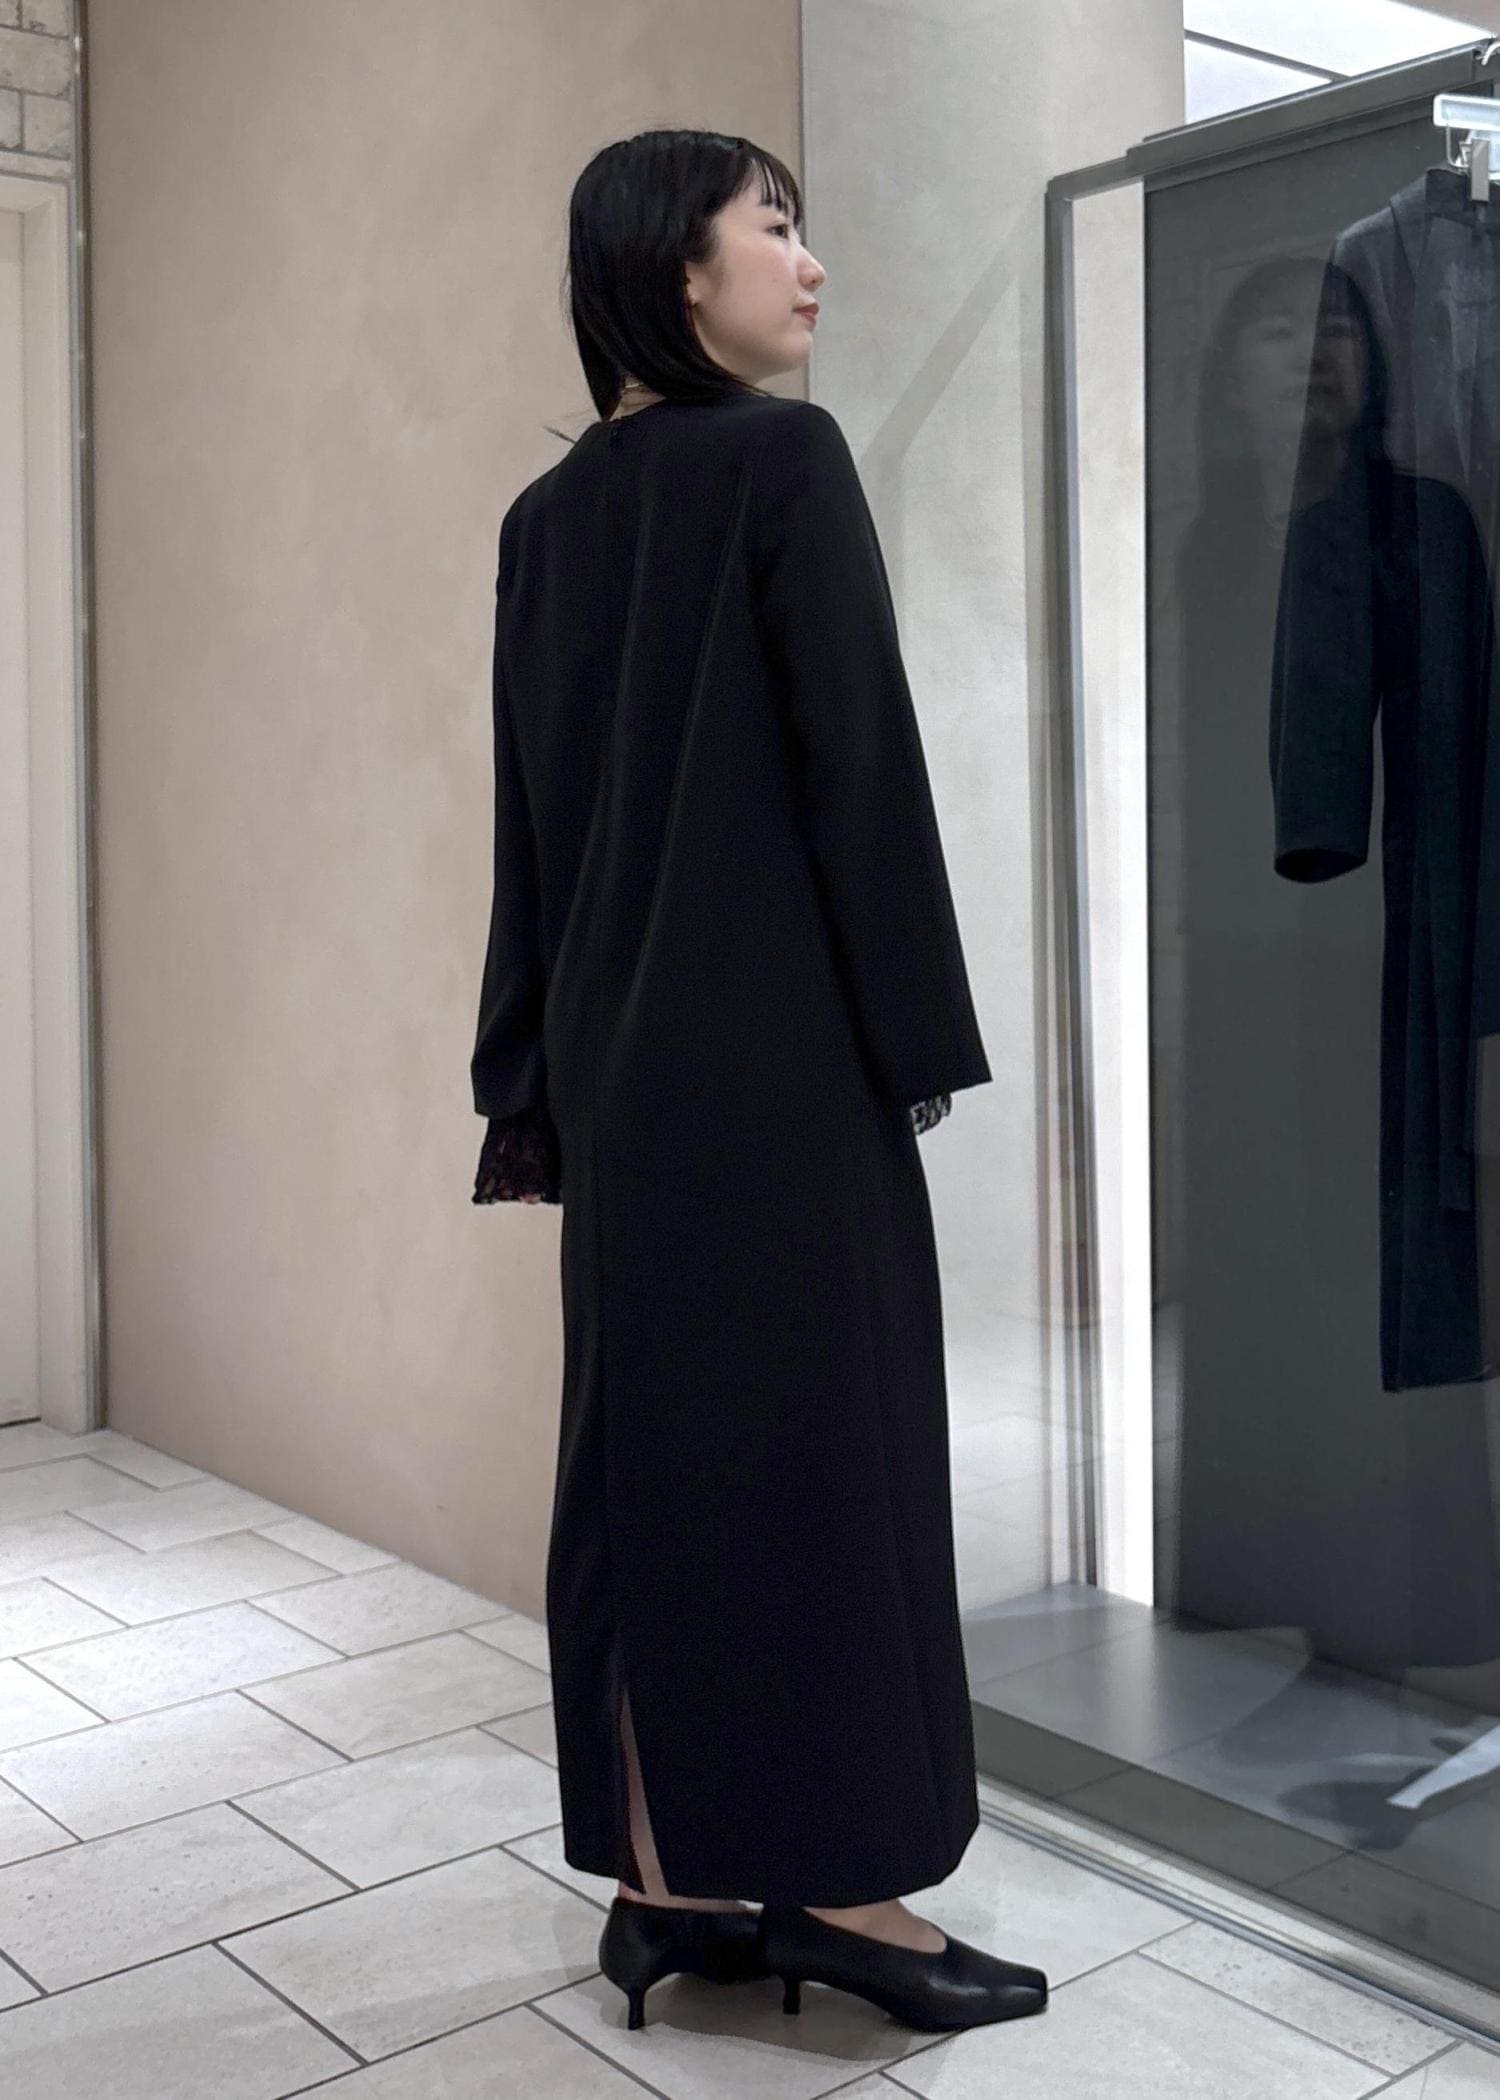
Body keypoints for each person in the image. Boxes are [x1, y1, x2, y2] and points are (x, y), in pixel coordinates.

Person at [471, 126, 1047, 2035]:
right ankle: (850, 1902)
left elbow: (530, 828)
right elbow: (859, 776)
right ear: (678, 264)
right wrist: (918, 1047)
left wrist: (526, 1070)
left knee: (647, 1472)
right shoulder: (783, 463)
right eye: (776, 226)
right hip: (781, 1073)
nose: (809, 265)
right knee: (829, 1469)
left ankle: (664, 1890)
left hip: (618, 1073)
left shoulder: (543, 522)